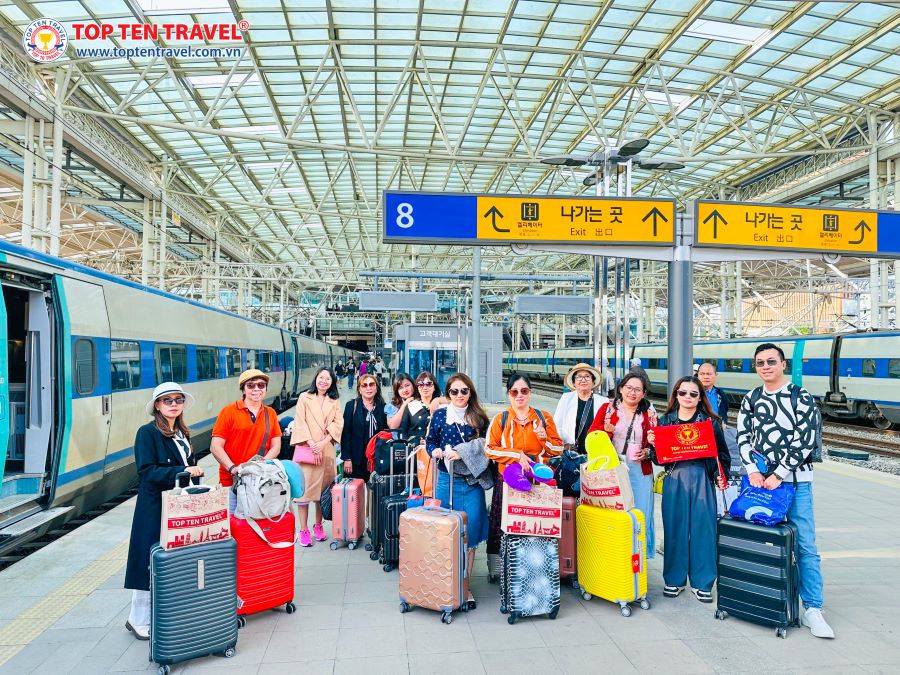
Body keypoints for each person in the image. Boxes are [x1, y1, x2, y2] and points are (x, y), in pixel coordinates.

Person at [737, 343, 834, 639]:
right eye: (760, 363)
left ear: (783, 364)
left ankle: (813, 608)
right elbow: (743, 436)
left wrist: (779, 474)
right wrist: (752, 470)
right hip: (759, 483)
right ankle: (765, 596)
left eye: (771, 361)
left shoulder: (800, 397)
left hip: (795, 482)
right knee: (761, 542)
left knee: (805, 545)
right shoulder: (751, 398)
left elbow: (805, 439)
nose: (765, 366)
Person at [124, 383, 204, 641]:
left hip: (177, 505)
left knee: (169, 560)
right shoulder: (147, 433)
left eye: (178, 400)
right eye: (167, 400)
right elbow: (147, 472)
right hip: (154, 507)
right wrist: (182, 471)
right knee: (148, 561)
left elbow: (188, 464)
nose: (173, 404)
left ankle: (162, 614)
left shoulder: (182, 433)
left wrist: (193, 476)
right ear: (157, 405)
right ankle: (138, 620)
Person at [648, 376, 729, 602]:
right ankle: (674, 579)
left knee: (704, 530)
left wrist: (721, 475)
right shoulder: (665, 421)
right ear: (676, 394)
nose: (687, 397)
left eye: (694, 394)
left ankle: (703, 581)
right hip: (675, 478)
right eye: (683, 392)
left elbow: (722, 455)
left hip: (703, 477)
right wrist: (654, 445)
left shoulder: (711, 423)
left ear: (700, 397)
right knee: (675, 529)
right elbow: (658, 460)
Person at [426, 372, 492, 609]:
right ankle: (446, 582)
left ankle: (465, 585)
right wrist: (434, 451)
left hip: (472, 483)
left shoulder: (479, 417)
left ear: (470, 392)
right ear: (448, 393)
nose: (459, 395)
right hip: (447, 480)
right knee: (446, 531)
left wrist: (462, 451)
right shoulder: (440, 415)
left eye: (464, 391)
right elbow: (431, 441)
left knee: (470, 532)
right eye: (454, 391)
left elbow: (488, 445)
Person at [587, 372, 658, 560]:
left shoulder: (649, 412)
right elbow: (592, 437)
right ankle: (615, 554)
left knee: (640, 511)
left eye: (638, 390)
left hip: (640, 470)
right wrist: (607, 432)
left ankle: (638, 556)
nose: (632, 393)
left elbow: (658, 441)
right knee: (614, 511)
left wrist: (648, 450)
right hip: (612, 468)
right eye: (629, 388)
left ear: (643, 393)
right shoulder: (607, 409)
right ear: (620, 389)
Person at [210, 369, 282, 512]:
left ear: (265, 389)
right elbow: (215, 446)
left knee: (257, 520)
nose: (256, 389)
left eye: (261, 385)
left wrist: (261, 465)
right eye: (250, 385)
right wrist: (233, 468)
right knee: (233, 522)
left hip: (259, 481)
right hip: (231, 482)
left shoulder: (270, 413)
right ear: (243, 390)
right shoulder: (228, 412)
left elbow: (276, 446)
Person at [291, 367, 344, 547]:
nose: (323, 381)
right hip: (307, 450)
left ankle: (318, 525)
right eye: (321, 377)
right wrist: (311, 443)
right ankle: (303, 529)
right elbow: (300, 422)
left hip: (326, 451)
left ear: (332, 382)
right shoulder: (304, 397)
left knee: (322, 492)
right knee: (304, 492)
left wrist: (322, 443)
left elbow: (338, 423)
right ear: (316, 379)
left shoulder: (334, 400)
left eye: (328, 379)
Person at [554, 362, 609, 454]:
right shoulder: (566, 398)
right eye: (579, 377)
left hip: (596, 452)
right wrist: (565, 442)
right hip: (572, 452)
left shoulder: (603, 402)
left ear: (593, 381)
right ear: (574, 383)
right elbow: (556, 425)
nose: (583, 380)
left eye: (587, 376)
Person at [340, 373, 387, 480]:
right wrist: (347, 458)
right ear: (359, 390)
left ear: (376, 388)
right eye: (364, 385)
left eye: (371, 384)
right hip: (356, 459)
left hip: (376, 458)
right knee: (356, 488)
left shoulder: (383, 407)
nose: (368, 388)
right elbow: (345, 434)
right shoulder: (351, 406)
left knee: (376, 488)